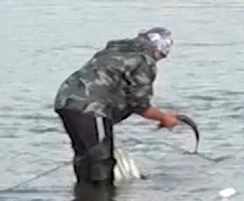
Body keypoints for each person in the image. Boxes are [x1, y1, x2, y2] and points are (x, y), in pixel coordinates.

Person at [53, 27, 183, 188]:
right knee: (101, 158)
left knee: (85, 156)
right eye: (161, 55)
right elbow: (139, 104)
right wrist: (164, 118)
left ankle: (84, 200)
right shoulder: (144, 61)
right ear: (159, 48)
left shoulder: (114, 51)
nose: (159, 60)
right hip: (91, 107)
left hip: (65, 102)